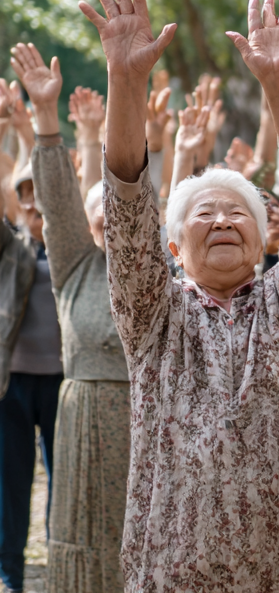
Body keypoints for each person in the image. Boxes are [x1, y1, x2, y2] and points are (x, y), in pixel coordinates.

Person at [78, 0, 279, 592]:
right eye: (204, 212)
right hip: (177, 572)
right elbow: (125, 211)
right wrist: (125, 80)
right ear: (173, 247)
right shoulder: (153, 313)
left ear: (264, 245)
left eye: (240, 214)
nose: (224, 219)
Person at [10, 42, 130, 593]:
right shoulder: (76, 265)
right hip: (83, 424)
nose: (108, 211)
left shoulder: (167, 276)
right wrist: (44, 120)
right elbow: (57, 200)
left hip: (146, 424)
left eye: (119, 203)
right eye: (97, 205)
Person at [0, 87, 63, 593]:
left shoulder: (77, 251)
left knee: (62, 486)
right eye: (26, 199)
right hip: (14, 383)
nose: (34, 206)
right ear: (19, 204)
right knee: (11, 485)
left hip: (64, 383)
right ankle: (12, 577)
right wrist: (5, 130)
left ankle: (61, 570)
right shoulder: (12, 250)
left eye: (40, 198)